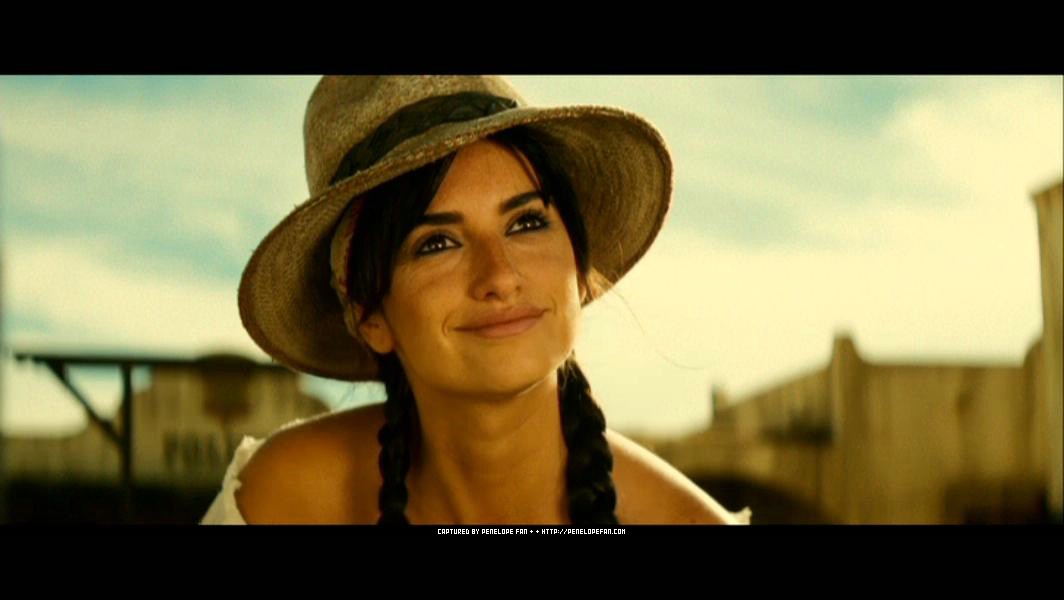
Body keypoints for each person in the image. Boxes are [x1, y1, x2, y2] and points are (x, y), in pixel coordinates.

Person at [200, 76, 751, 525]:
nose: (500, 277)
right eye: (437, 243)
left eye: (526, 223)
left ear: (581, 270)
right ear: (369, 315)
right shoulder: (286, 499)